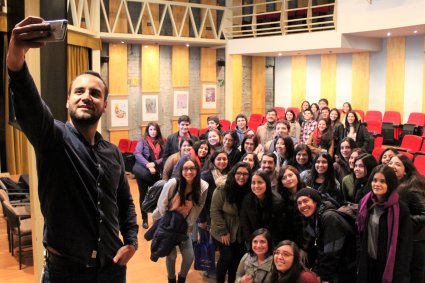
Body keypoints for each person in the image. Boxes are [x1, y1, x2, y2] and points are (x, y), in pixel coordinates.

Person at [7, 17, 138, 282]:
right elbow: (30, 106)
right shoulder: (53, 138)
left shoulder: (112, 153)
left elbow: (124, 202)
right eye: (79, 91)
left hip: (111, 268)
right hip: (66, 273)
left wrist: (132, 241)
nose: (86, 96)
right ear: (68, 100)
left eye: (95, 93)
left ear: (104, 105)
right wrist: (16, 60)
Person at [153, 156, 208, 283]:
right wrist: (169, 226)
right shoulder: (173, 183)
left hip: (184, 225)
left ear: (197, 170)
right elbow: (162, 206)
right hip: (166, 223)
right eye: (186, 168)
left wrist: (188, 227)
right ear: (181, 170)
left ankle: (182, 278)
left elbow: (198, 208)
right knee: (171, 255)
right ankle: (171, 279)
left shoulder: (203, 186)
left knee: (189, 256)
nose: (189, 172)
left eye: (192, 168)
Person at [356, 165, 412, 283]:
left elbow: (404, 247)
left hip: (387, 265)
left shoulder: (401, 209)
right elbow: (359, 232)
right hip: (367, 261)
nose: (377, 184)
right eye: (374, 180)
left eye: (383, 181)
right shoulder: (365, 203)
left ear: (390, 184)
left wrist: (399, 274)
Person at [296, 188, 356, 283]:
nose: (302, 205)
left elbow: (332, 252)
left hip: (346, 269)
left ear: (315, 202)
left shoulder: (329, 217)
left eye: (306, 201)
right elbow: (321, 249)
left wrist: (324, 277)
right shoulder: (315, 218)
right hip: (338, 268)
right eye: (299, 203)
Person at [210, 162, 252, 283]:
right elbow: (214, 211)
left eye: (245, 174)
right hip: (223, 230)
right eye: (238, 173)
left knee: (237, 260)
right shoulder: (222, 189)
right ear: (233, 174)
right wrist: (223, 231)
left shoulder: (250, 190)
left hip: (240, 232)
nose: (242, 177)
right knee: (226, 258)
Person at [388, 154, 425, 283]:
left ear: (406, 171)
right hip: (404, 239)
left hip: (415, 242)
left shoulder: (412, 188)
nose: (392, 166)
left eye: (398, 164)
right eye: (391, 163)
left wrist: (402, 221)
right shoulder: (393, 185)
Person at [133, 122, 165, 229]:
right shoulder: (143, 141)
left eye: (155, 130)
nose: (153, 132)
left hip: (156, 172)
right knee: (143, 195)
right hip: (143, 172)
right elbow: (137, 154)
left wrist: (154, 164)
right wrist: (148, 165)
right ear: (147, 130)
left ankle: (156, 217)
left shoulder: (161, 141)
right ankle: (144, 219)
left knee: (157, 194)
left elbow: (164, 156)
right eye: (151, 129)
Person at [240, 171, 275, 242]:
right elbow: (245, 224)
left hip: (271, 242)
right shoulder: (247, 200)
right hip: (252, 241)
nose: (256, 186)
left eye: (260, 182)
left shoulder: (277, 201)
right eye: (253, 183)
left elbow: (278, 229)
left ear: (267, 184)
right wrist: (252, 242)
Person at [274, 165, 305, 246]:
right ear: (282, 183)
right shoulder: (280, 199)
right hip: (288, 240)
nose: (288, 179)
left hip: (306, 239)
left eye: (290, 175)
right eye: (284, 178)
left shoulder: (308, 193)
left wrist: (304, 247)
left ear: (297, 176)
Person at [199, 151, 230, 230]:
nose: (222, 161)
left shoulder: (231, 176)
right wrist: (202, 220)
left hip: (226, 216)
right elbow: (200, 200)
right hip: (209, 215)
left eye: (224, 159)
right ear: (213, 161)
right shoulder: (205, 176)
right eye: (218, 159)